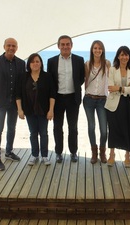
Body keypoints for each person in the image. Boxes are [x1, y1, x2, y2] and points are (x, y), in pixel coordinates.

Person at [0, 38, 26, 171]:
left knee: (12, 128)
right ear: (4, 46)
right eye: (9, 45)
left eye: (13, 46)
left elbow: (22, 84)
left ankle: (9, 152)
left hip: (14, 103)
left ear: (17, 48)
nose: (11, 48)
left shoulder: (21, 63)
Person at [47, 35, 85, 163]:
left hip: (73, 99)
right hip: (57, 99)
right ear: (58, 46)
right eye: (62, 44)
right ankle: (58, 152)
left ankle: (73, 152)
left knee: (73, 127)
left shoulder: (79, 60)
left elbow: (81, 78)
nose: (65, 46)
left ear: (71, 45)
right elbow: (51, 81)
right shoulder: (51, 61)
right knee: (57, 127)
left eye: (67, 44)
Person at [16, 53, 56, 166]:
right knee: (33, 133)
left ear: (41, 63)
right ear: (29, 64)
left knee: (43, 133)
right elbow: (18, 94)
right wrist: (20, 109)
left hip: (44, 110)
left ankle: (44, 156)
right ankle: (34, 155)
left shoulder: (47, 76)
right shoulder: (23, 76)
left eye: (37, 61)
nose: (35, 63)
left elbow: (52, 95)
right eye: (32, 61)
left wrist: (51, 110)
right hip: (29, 110)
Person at [105, 46, 130, 168]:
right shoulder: (113, 69)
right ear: (118, 56)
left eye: (126, 55)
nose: (124, 57)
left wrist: (119, 88)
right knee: (113, 129)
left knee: (129, 128)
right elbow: (110, 87)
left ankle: (127, 156)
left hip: (129, 104)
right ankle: (112, 154)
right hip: (114, 104)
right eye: (122, 54)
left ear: (129, 57)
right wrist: (126, 87)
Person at [83, 40, 111, 164]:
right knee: (91, 127)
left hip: (102, 100)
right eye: (95, 48)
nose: (97, 50)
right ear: (92, 50)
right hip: (89, 99)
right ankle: (94, 152)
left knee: (104, 129)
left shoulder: (107, 64)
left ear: (103, 50)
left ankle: (102, 151)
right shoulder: (87, 64)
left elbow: (113, 79)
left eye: (99, 48)